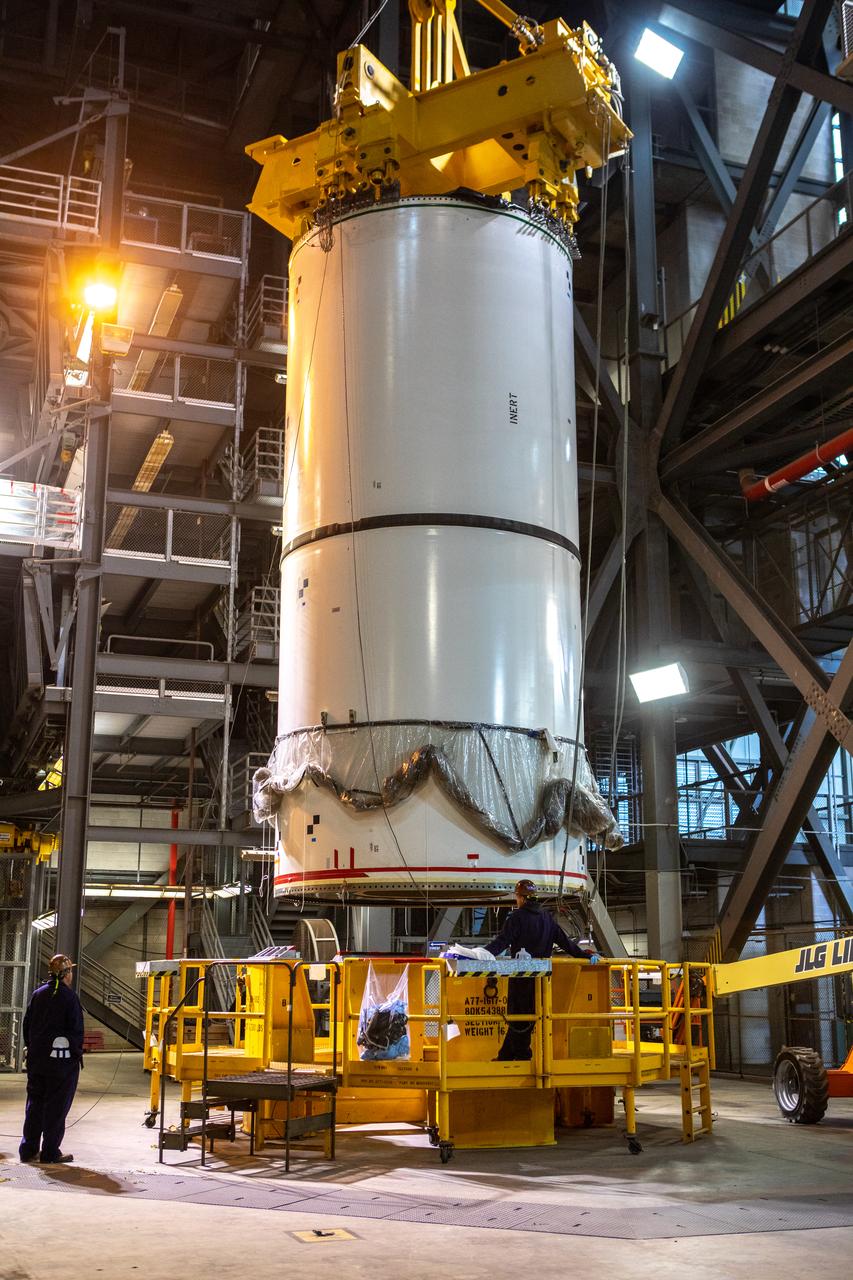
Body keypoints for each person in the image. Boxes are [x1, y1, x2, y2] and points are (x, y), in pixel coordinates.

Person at [486, 879, 599, 1061]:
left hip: (521, 977)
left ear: (521, 898)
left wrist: (480, 954)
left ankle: (523, 1056)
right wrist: (586, 955)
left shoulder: (517, 918)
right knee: (531, 1017)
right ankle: (505, 1056)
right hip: (542, 980)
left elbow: (501, 943)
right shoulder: (548, 918)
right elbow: (567, 944)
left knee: (518, 1018)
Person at [19, 954, 84, 1164]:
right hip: (61, 1066)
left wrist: (35, 1049)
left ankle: (28, 1150)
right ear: (66, 974)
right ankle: (50, 1152)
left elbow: (27, 1026)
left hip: (37, 1063)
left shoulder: (38, 995)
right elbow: (76, 1031)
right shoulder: (69, 998)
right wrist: (74, 1055)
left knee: (35, 1105)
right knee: (56, 1108)